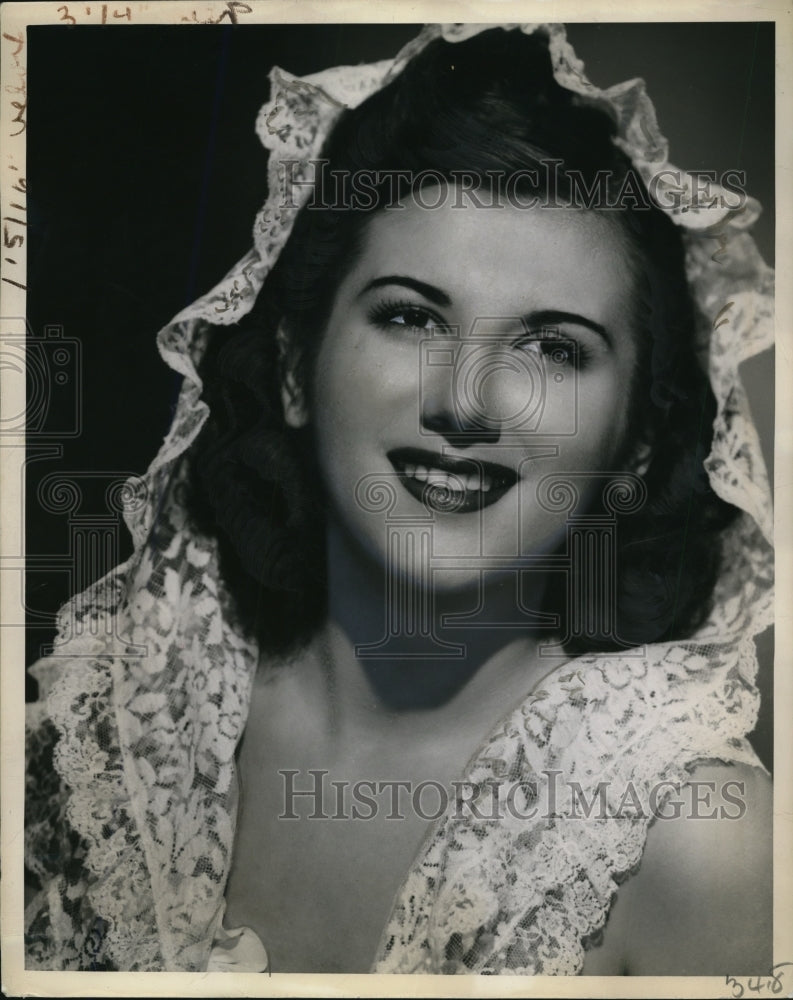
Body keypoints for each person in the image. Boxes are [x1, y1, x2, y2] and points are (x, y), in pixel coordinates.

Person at [24, 23, 774, 975]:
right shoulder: (108, 721)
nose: (462, 401)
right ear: (296, 368)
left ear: (633, 447)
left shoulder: (697, 845)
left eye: (554, 347)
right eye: (410, 316)